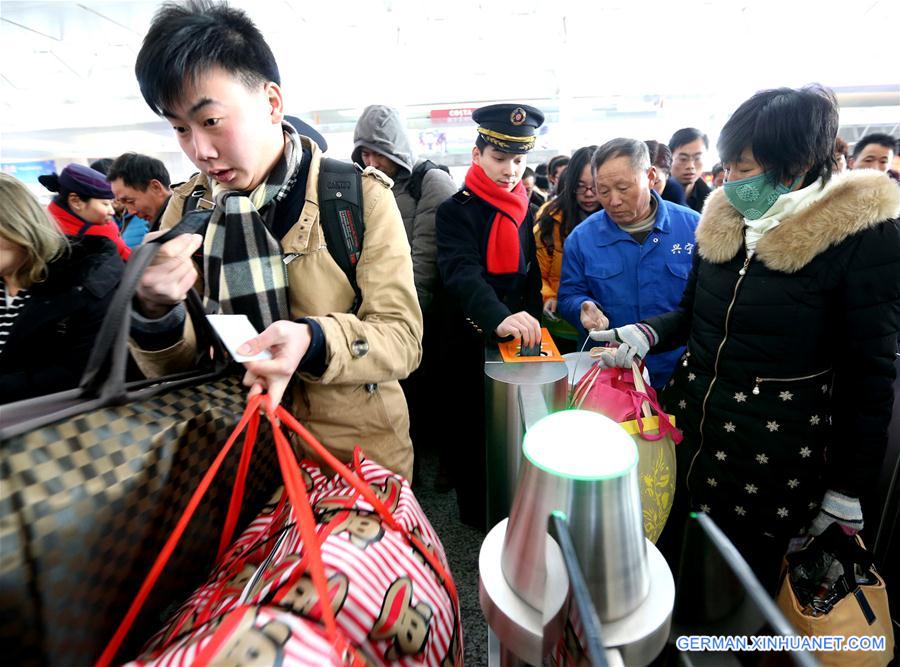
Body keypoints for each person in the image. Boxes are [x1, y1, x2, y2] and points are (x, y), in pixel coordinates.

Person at [591, 86, 900, 590]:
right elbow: (693, 313)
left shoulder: (862, 238)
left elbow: (870, 379)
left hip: (772, 459)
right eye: (728, 166)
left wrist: (847, 488)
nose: (731, 182)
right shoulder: (724, 219)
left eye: (746, 169)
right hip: (691, 430)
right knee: (667, 558)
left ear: (796, 165)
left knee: (736, 588)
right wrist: (646, 333)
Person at [129, 1, 422, 480]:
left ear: (270, 102)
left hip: (352, 464)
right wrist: (156, 312)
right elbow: (176, 371)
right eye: (180, 128)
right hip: (237, 456)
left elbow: (404, 339)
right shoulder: (188, 210)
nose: (199, 150)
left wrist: (312, 339)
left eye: (210, 121)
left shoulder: (354, 197)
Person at [436, 103, 544, 528]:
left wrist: (531, 319)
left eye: (518, 160)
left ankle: (513, 507)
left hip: (515, 335)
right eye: (499, 158)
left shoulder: (524, 206)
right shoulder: (455, 209)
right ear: (477, 154)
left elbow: (530, 275)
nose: (510, 170)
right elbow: (460, 271)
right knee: (470, 430)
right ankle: (478, 521)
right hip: (468, 331)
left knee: (512, 428)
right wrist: (498, 316)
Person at [351, 104, 457, 469]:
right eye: (364, 152)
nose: (371, 160)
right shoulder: (364, 187)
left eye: (378, 151)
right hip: (386, 307)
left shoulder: (431, 183)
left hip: (428, 310)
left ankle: (435, 464)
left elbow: (426, 259)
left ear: (396, 148)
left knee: (431, 389)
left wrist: (407, 319)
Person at [557, 138, 699, 389]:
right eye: (603, 190)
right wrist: (582, 307)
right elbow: (569, 294)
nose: (613, 201)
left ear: (650, 176)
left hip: (679, 372)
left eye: (623, 188)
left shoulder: (693, 228)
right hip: (610, 373)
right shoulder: (582, 238)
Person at [0, 173, 124, 403]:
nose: (111, 211)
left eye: (110, 203)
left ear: (18, 223)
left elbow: (74, 377)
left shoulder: (85, 282)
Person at [534, 145, 600, 350]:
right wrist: (549, 296)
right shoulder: (550, 218)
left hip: (603, 324)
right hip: (560, 322)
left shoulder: (618, 218)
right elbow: (538, 271)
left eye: (596, 186)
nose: (588, 194)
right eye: (580, 186)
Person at [39, 163, 131, 261]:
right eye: (105, 204)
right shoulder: (96, 237)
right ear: (76, 201)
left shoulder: (46, 227)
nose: (112, 211)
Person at [107, 152, 174, 240]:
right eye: (123, 203)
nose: (131, 212)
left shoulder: (184, 224)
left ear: (155, 187)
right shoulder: (161, 223)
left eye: (130, 201)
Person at [669, 127, 712, 213]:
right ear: (669, 159)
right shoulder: (656, 195)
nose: (690, 166)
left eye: (697, 158)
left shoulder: (712, 202)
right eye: (683, 159)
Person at [646, 139, 687, 206]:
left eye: (655, 182)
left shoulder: (676, 199)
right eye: (643, 182)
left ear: (667, 176)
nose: (648, 188)